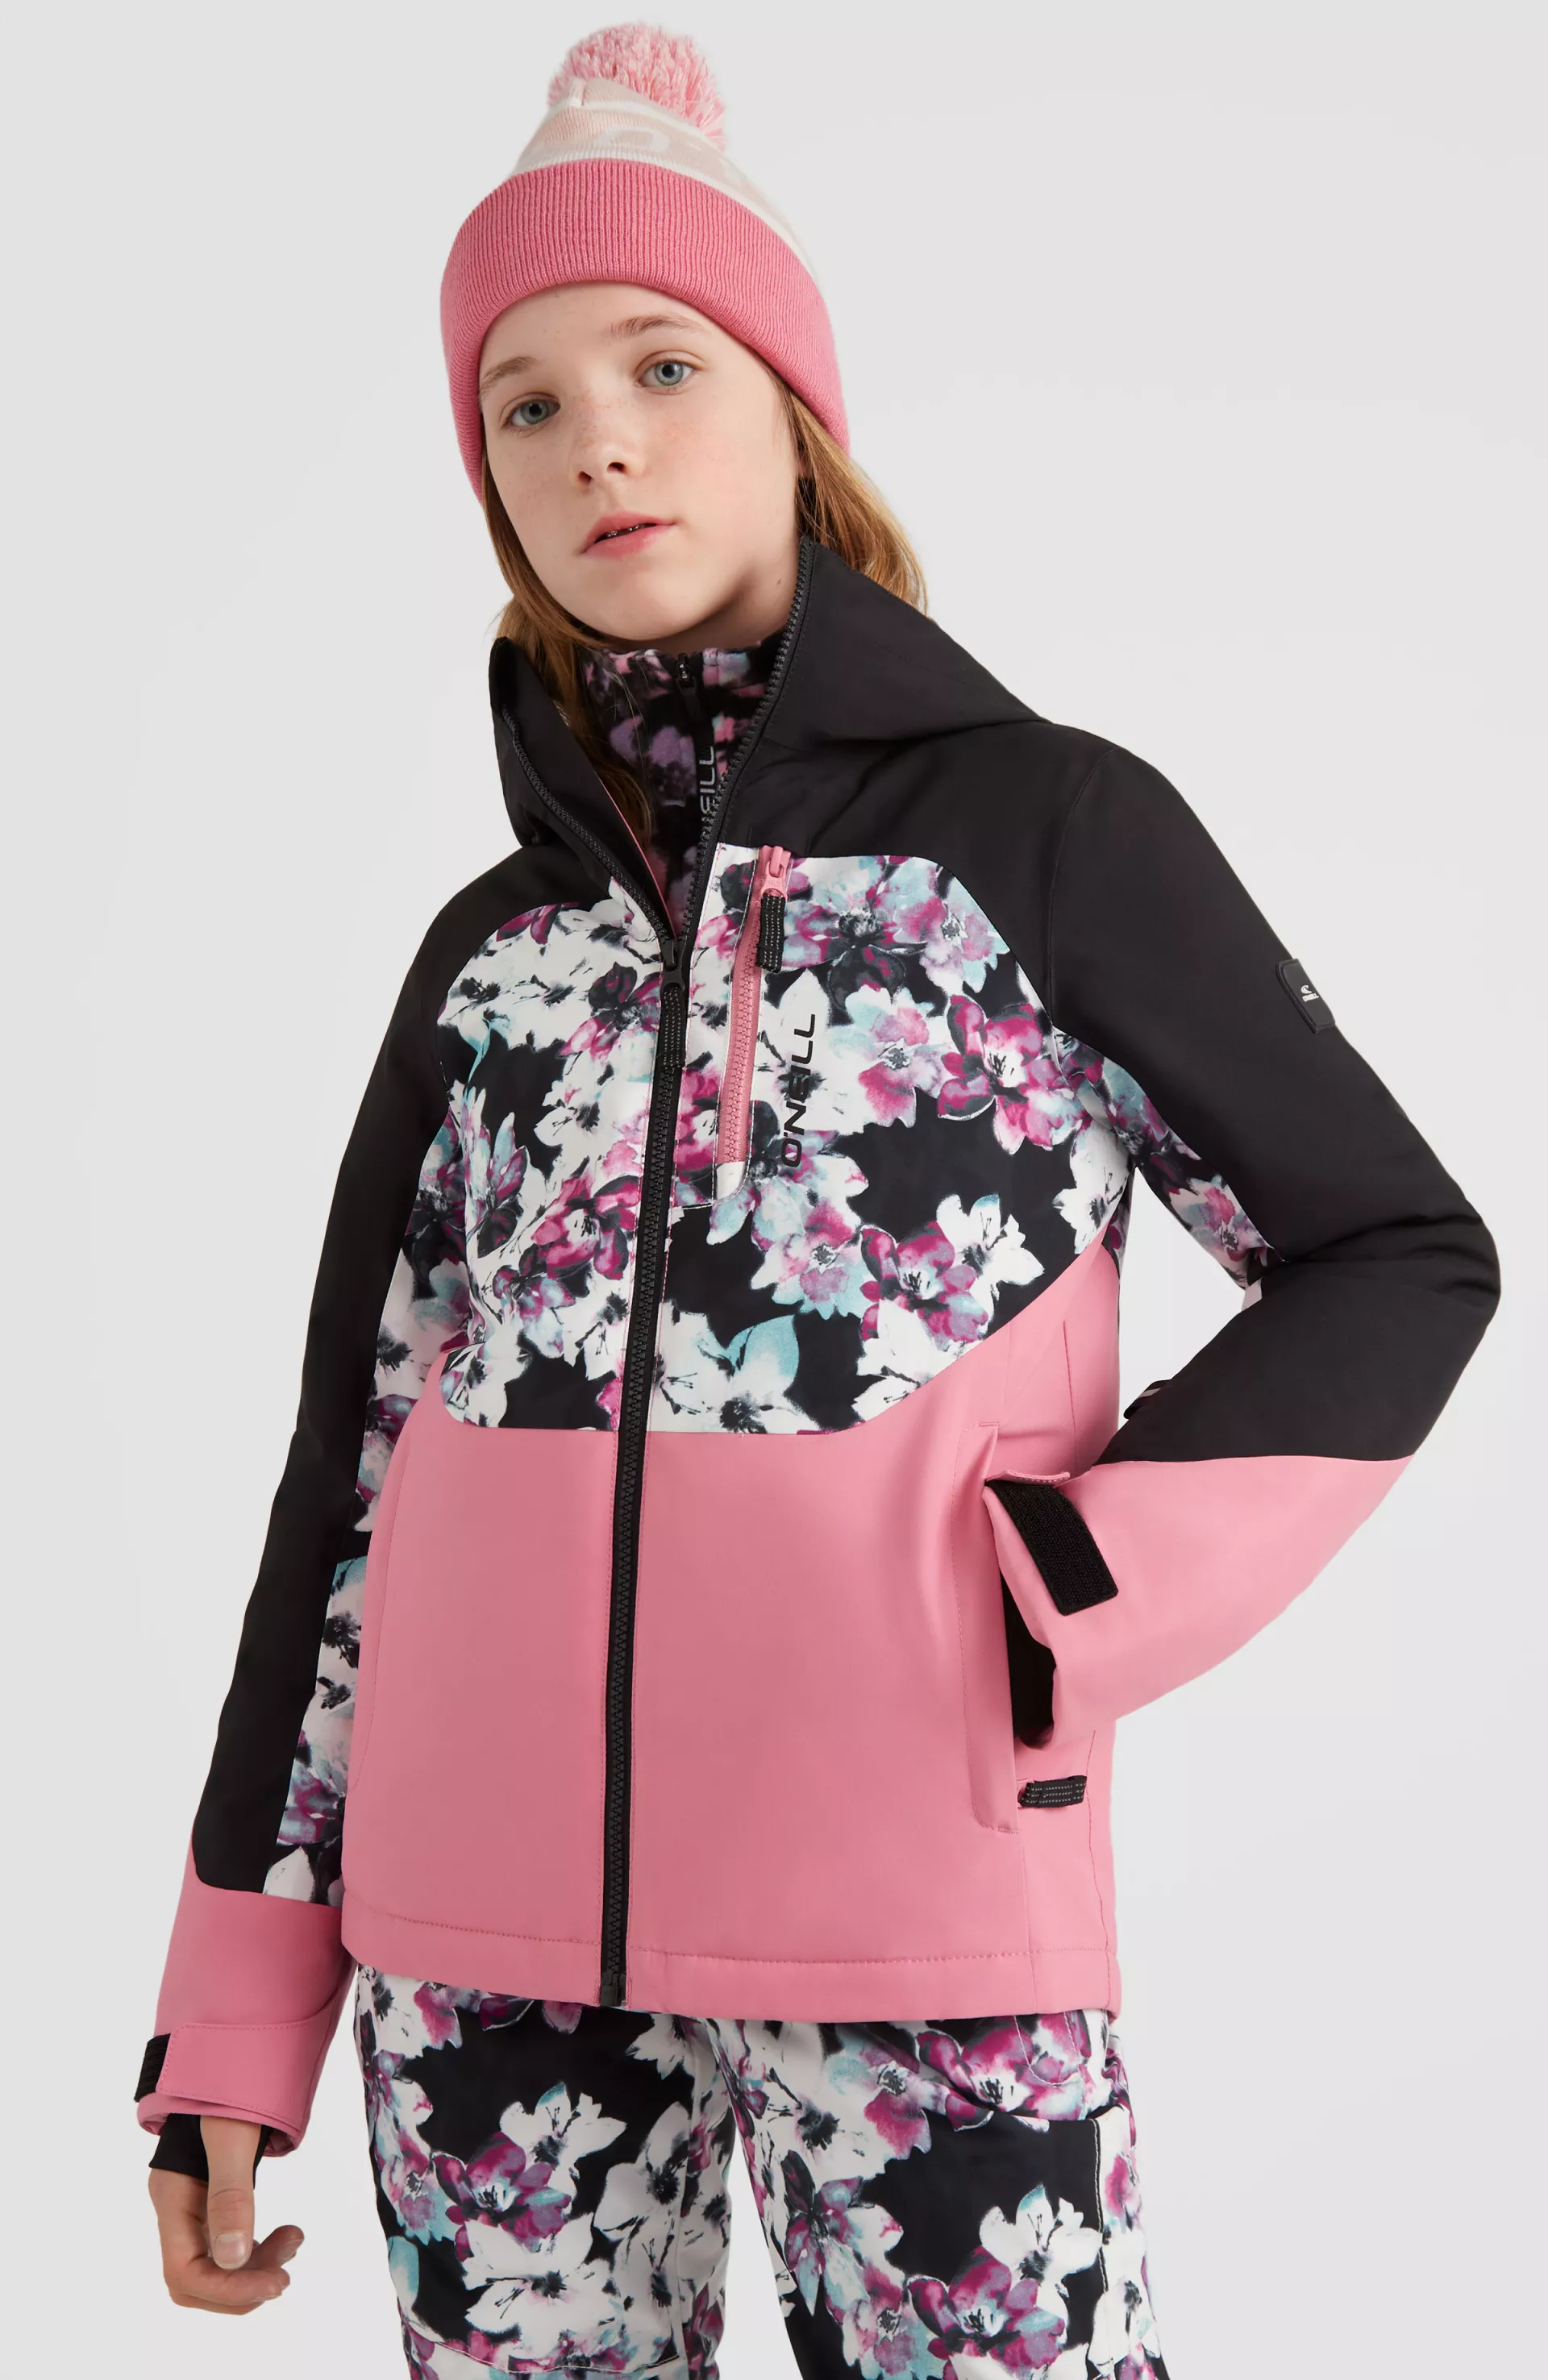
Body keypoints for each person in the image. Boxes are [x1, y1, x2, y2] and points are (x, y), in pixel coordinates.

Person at [138, 25, 1500, 2378]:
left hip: (914, 1917)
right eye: (525, 407)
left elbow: (1396, 1251)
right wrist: (237, 2009)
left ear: (795, 409)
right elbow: (347, 1480)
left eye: (660, 365)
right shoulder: (492, 956)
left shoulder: (1044, 835)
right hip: (470, 1961)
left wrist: (1072, 1585)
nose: (598, 443)